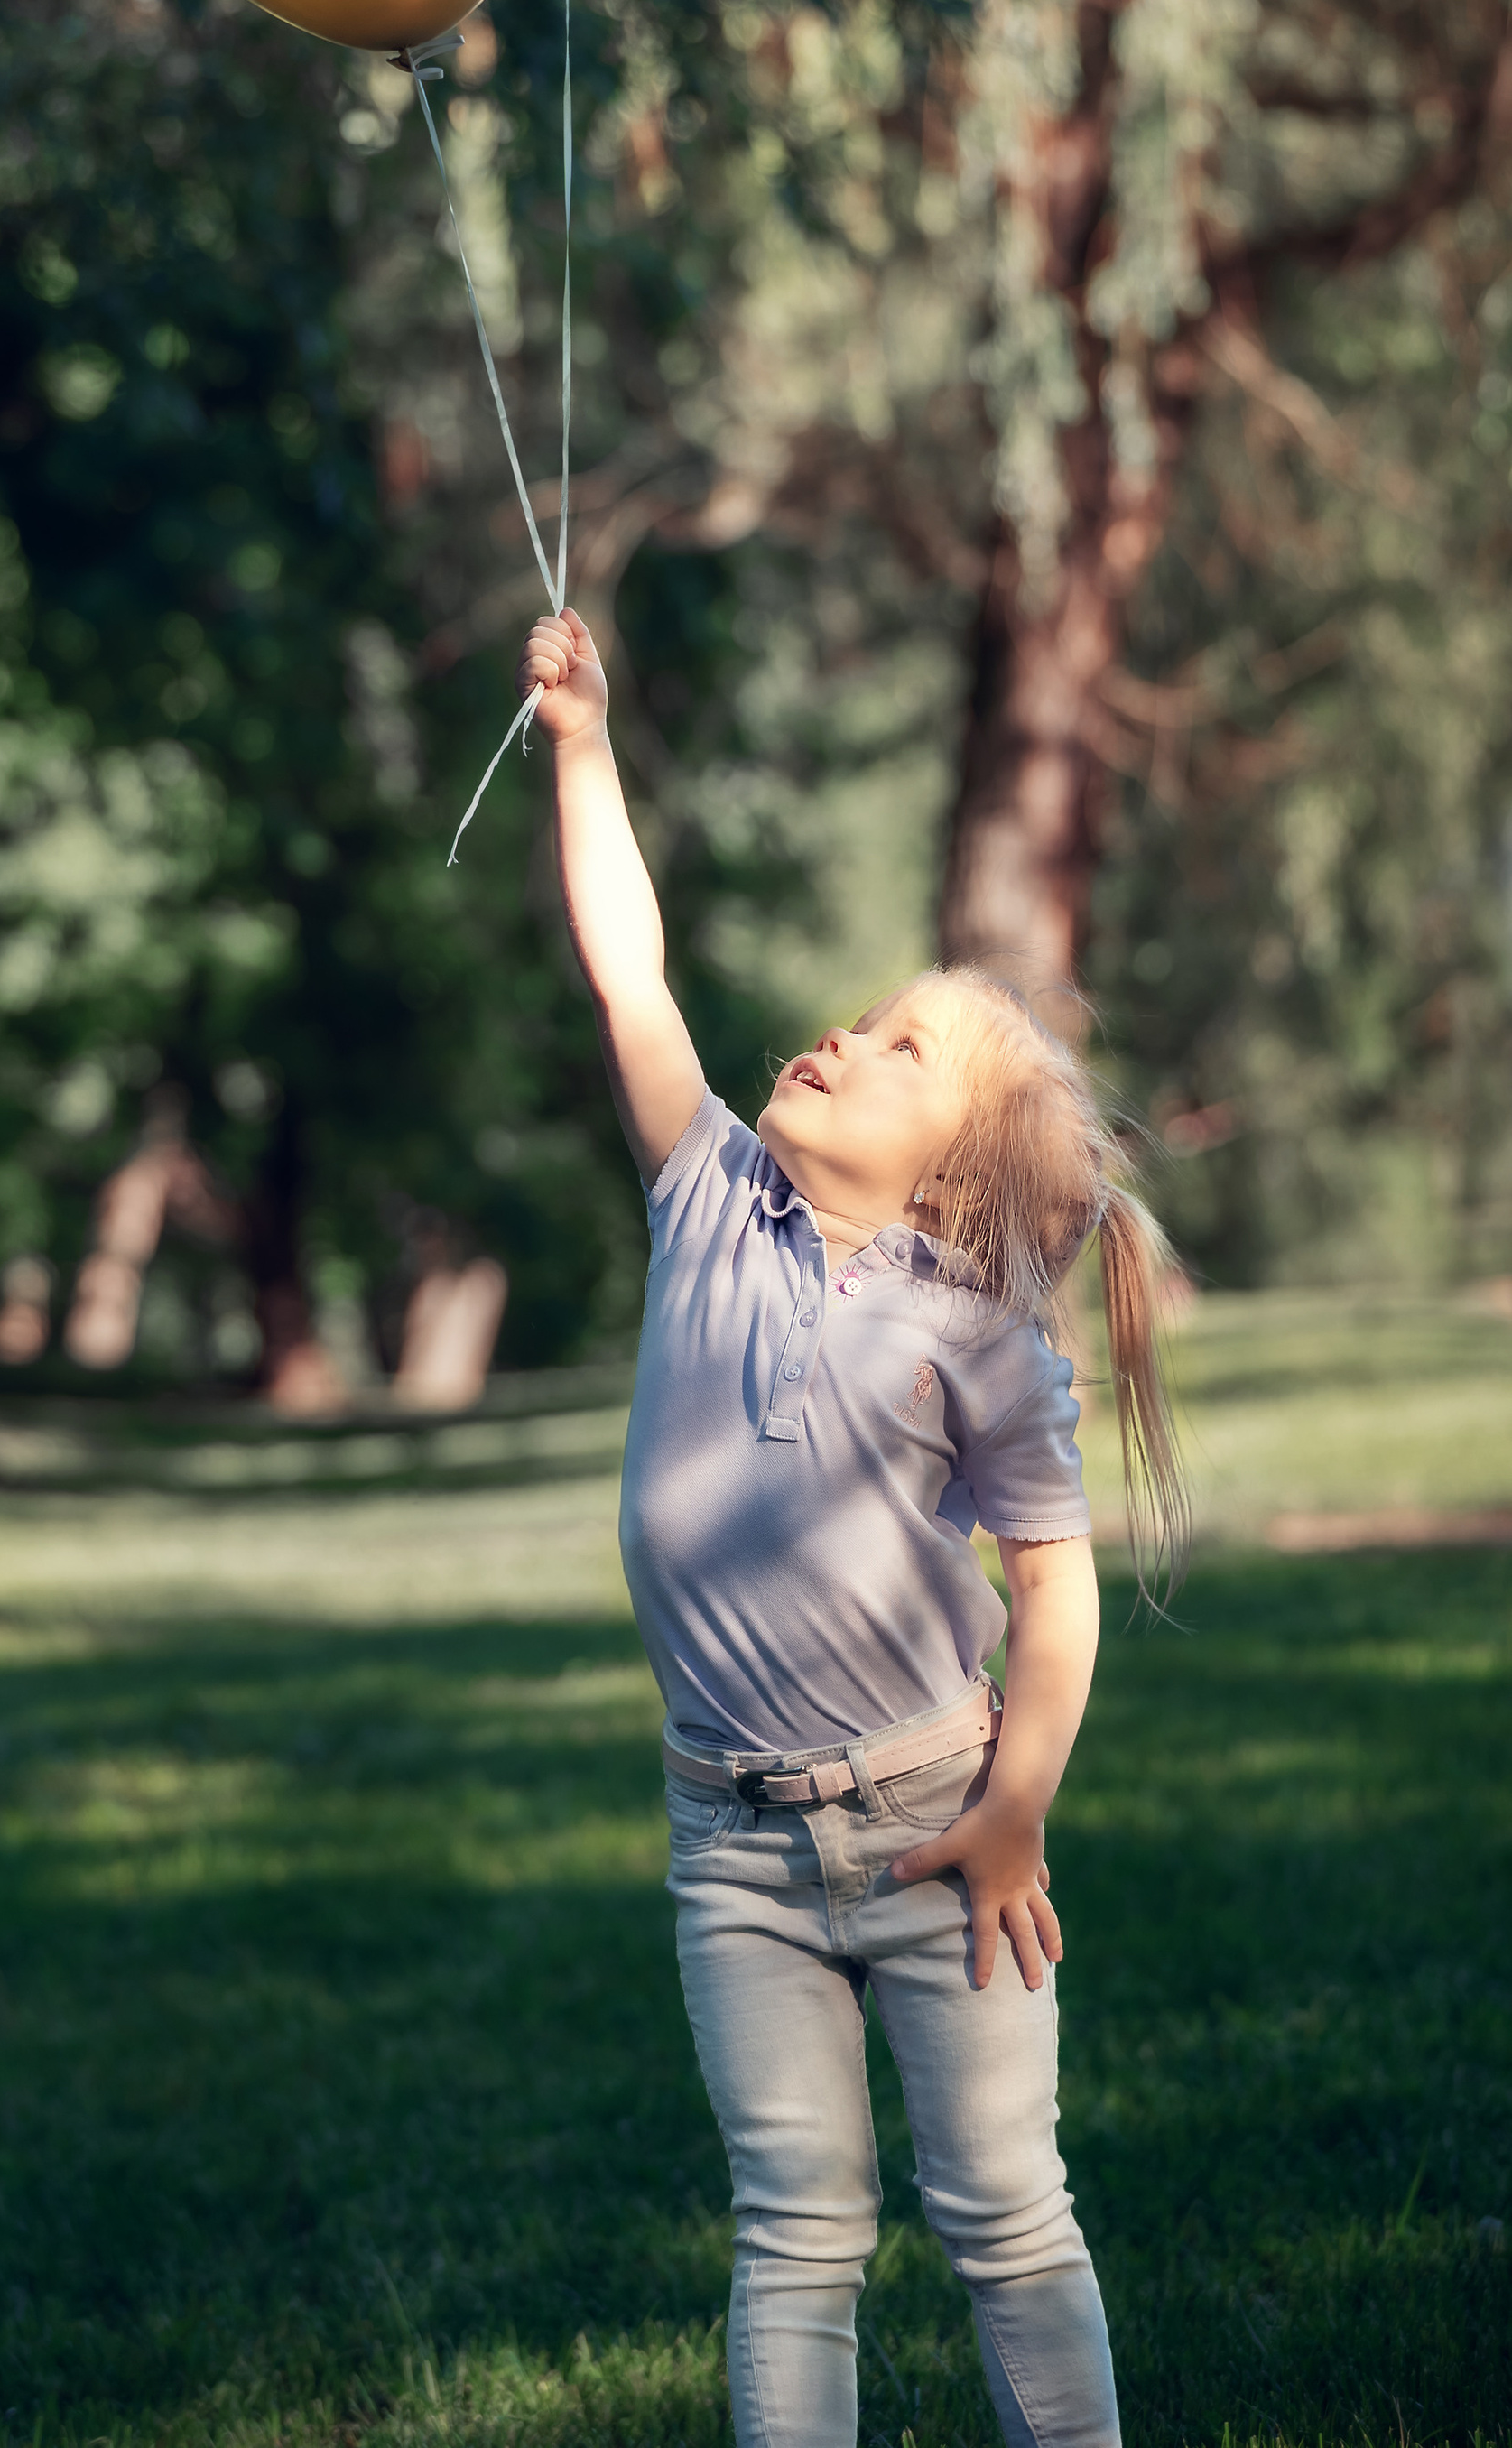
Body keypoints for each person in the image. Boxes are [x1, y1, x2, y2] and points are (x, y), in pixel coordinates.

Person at [522, 608, 1187, 2448]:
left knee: (998, 2209)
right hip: (725, 1836)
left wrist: (1011, 1811)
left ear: (951, 1171)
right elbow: (627, 979)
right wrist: (583, 745)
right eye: (861, 1017)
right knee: (793, 2234)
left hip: (931, 1818)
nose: (840, 1035)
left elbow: (1049, 1595)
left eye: (898, 1049)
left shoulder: (972, 1332)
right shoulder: (706, 1197)